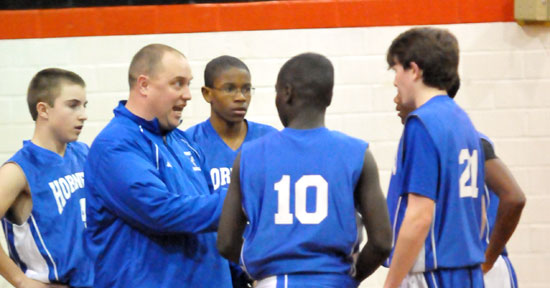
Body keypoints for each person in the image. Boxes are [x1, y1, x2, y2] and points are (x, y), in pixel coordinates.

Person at [217, 52, 392, 288]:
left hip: (275, 281)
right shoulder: (357, 153)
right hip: (335, 280)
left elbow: (226, 242)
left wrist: (258, 266)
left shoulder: (250, 155)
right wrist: (351, 277)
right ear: (329, 97)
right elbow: (382, 242)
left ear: (286, 93)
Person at [84, 44, 231, 287]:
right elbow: (160, 211)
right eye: (178, 83)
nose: (188, 94)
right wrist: (240, 198)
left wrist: (242, 268)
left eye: (188, 84)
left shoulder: (183, 141)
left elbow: (210, 220)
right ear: (144, 85)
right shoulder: (114, 146)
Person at [394, 79, 525, 288]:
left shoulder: (462, 138)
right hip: (463, 268)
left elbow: (514, 197)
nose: (396, 99)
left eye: (398, 90)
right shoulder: (437, 136)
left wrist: (487, 260)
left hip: (477, 267)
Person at [383, 27, 486, 288]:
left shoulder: (422, 123)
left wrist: (391, 283)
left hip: (433, 274)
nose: (395, 81)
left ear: (414, 70)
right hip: (469, 273)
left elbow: (419, 217)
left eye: (396, 70)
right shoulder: (464, 122)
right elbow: (481, 212)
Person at [185, 55, 276, 287]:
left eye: (246, 89)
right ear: (207, 94)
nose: (240, 97)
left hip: (264, 263)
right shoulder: (188, 145)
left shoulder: (270, 140)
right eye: (229, 89)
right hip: (213, 265)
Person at [0, 68, 92, 288]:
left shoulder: (83, 153)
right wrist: (20, 280)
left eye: (84, 105)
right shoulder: (18, 170)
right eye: (73, 105)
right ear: (43, 109)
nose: (83, 114)